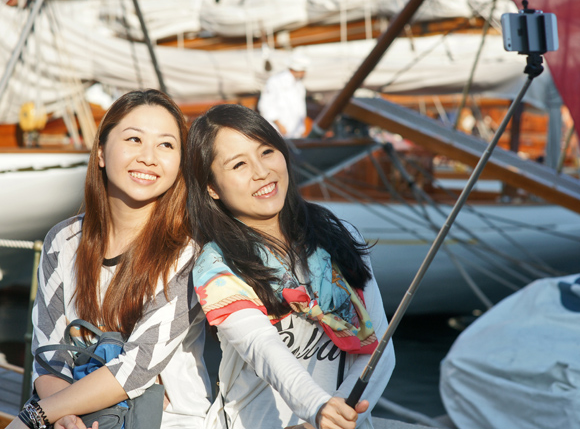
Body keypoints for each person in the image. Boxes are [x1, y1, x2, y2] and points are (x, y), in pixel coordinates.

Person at [9, 89, 211, 429]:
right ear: (101, 152)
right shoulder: (63, 241)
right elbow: (50, 356)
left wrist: (37, 415)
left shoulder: (188, 252)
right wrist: (66, 418)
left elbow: (138, 366)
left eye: (166, 145)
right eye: (134, 139)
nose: (149, 157)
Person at [185, 103, 395, 429]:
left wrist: (339, 415)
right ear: (211, 187)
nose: (262, 171)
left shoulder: (338, 235)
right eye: (239, 164)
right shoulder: (215, 266)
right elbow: (262, 347)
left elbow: (379, 347)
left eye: (267, 151)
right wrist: (318, 408)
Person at [257, 52, 308, 138]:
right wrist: (280, 125)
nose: (304, 73)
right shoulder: (275, 82)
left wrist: (301, 128)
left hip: (295, 133)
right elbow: (266, 106)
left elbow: (300, 108)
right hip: (279, 131)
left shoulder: (299, 85)